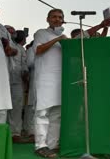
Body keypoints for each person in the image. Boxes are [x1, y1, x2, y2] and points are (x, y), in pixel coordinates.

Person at [33, 8, 67, 158]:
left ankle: (52, 145)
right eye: (53, 17)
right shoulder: (41, 33)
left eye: (60, 17)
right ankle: (40, 145)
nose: (57, 19)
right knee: (42, 112)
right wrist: (57, 40)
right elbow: (38, 50)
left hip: (60, 79)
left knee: (57, 114)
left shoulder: (64, 38)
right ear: (48, 19)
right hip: (45, 79)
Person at [7, 30, 29, 142]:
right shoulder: (3, 44)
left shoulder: (21, 49)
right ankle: (2, 132)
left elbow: (24, 66)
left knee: (16, 107)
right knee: (1, 107)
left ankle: (15, 134)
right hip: (2, 80)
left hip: (17, 81)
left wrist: (25, 78)